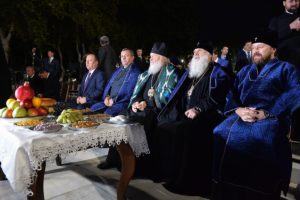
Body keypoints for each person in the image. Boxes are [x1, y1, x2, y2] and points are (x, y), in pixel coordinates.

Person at [212, 31, 300, 200]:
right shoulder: (245, 71)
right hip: (241, 115)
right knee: (219, 131)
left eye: (260, 47)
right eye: (253, 48)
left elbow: (295, 92)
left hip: (272, 118)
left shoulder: (286, 68)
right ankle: (226, 190)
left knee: (261, 139)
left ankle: (260, 193)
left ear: (273, 49)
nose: (256, 51)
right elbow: (231, 93)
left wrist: (267, 113)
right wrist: (237, 110)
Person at [154, 41, 231, 197]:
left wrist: (198, 109)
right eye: (194, 51)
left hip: (207, 115)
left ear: (210, 56)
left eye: (200, 52)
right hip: (187, 114)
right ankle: (168, 173)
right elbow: (182, 95)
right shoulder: (193, 73)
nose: (195, 54)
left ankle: (187, 182)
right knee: (163, 124)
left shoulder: (218, 73)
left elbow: (216, 98)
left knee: (187, 130)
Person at [91, 48, 141, 170]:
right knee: (92, 110)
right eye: (122, 56)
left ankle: (111, 156)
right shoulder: (118, 70)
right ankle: (94, 141)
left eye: (126, 56)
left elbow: (129, 92)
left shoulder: (135, 72)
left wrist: (114, 101)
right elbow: (109, 85)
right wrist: (107, 97)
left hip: (122, 104)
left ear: (132, 58)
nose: (123, 58)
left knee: (106, 115)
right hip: (111, 101)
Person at [269, 0, 300, 67]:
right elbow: (270, 40)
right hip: (285, 61)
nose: (294, 3)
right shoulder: (276, 20)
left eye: (297, 1)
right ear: (284, 3)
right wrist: (290, 27)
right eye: (291, 1)